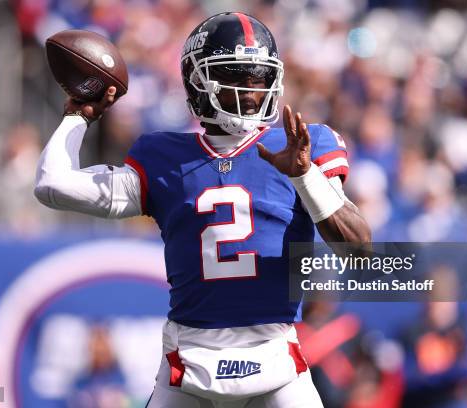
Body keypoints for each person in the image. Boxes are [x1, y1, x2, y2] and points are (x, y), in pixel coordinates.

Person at [35, 12, 370, 407]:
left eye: (260, 77)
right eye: (236, 75)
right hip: (188, 365)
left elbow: (359, 249)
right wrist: (78, 116)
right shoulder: (163, 157)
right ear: (198, 81)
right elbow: (52, 185)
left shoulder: (303, 144)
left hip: (276, 360)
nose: (251, 90)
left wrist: (304, 176)